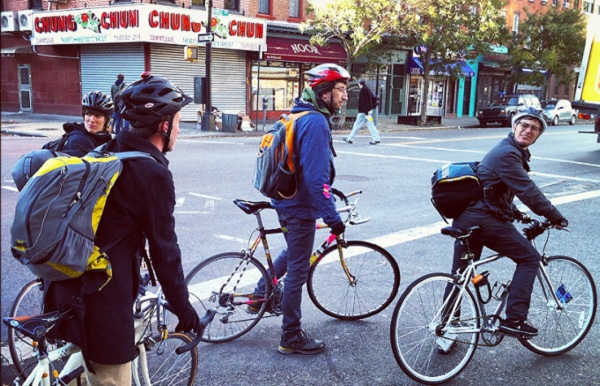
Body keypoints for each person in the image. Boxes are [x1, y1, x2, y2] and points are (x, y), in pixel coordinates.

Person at [43, 72, 201, 385]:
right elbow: (165, 251)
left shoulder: (105, 152)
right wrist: (184, 310)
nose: (180, 130)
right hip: (101, 305)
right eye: (179, 122)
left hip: (63, 288)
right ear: (163, 125)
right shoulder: (150, 173)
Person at [249, 63, 349, 355]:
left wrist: (329, 192)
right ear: (324, 92)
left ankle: (259, 295)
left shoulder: (298, 113)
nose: (344, 96)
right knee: (298, 272)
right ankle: (290, 336)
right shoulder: (315, 122)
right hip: (299, 207)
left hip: (286, 200)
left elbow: (309, 169)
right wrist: (333, 218)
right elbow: (316, 179)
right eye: (340, 90)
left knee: (291, 253)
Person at [444, 107, 568, 344]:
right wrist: (555, 216)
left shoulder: (508, 150)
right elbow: (528, 191)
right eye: (524, 125)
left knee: (459, 276)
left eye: (535, 128)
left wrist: (519, 215)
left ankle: (447, 327)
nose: (528, 130)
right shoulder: (508, 154)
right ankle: (515, 320)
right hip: (483, 220)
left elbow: (492, 189)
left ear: (539, 134)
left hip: (468, 217)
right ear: (514, 126)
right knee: (529, 259)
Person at [43, 91, 113, 157]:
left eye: (97, 116)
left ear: (107, 120)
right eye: (88, 114)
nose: (91, 120)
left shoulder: (102, 138)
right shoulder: (77, 141)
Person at [343, 78, 381, 145]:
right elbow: (372, 99)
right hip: (368, 112)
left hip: (363, 112)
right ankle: (376, 138)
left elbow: (364, 102)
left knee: (357, 125)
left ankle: (350, 139)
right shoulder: (368, 90)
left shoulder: (363, 91)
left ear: (359, 84)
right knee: (371, 124)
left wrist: (366, 112)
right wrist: (368, 111)